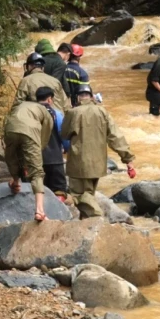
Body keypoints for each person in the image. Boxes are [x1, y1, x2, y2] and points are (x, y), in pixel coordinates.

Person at [61, 84, 136, 218]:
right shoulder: (103, 112)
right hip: (98, 163)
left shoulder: (73, 113)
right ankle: (86, 221)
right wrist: (128, 159)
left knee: (79, 195)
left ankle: (97, 218)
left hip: (79, 162)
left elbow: (64, 134)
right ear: (91, 96)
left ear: (77, 97)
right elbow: (115, 137)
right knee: (88, 194)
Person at [4, 87, 55, 221]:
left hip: (10, 128)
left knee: (12, 156)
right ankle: (39, 211)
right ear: (49, 100)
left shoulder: (19, 106)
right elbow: (43, 139)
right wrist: (33, 160)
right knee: (37, 171)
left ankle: (15, 182)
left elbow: (14, 152)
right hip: (30, 131)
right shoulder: (44, 111)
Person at [41, 89, 71, 202]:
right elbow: (63, 133)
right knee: (59, 188)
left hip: (35, 158)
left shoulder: (30, 113)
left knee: (38, 187)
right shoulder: (56, 113)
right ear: (49, 99)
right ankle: (58, 212)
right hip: (54, 158)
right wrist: (67, 148)